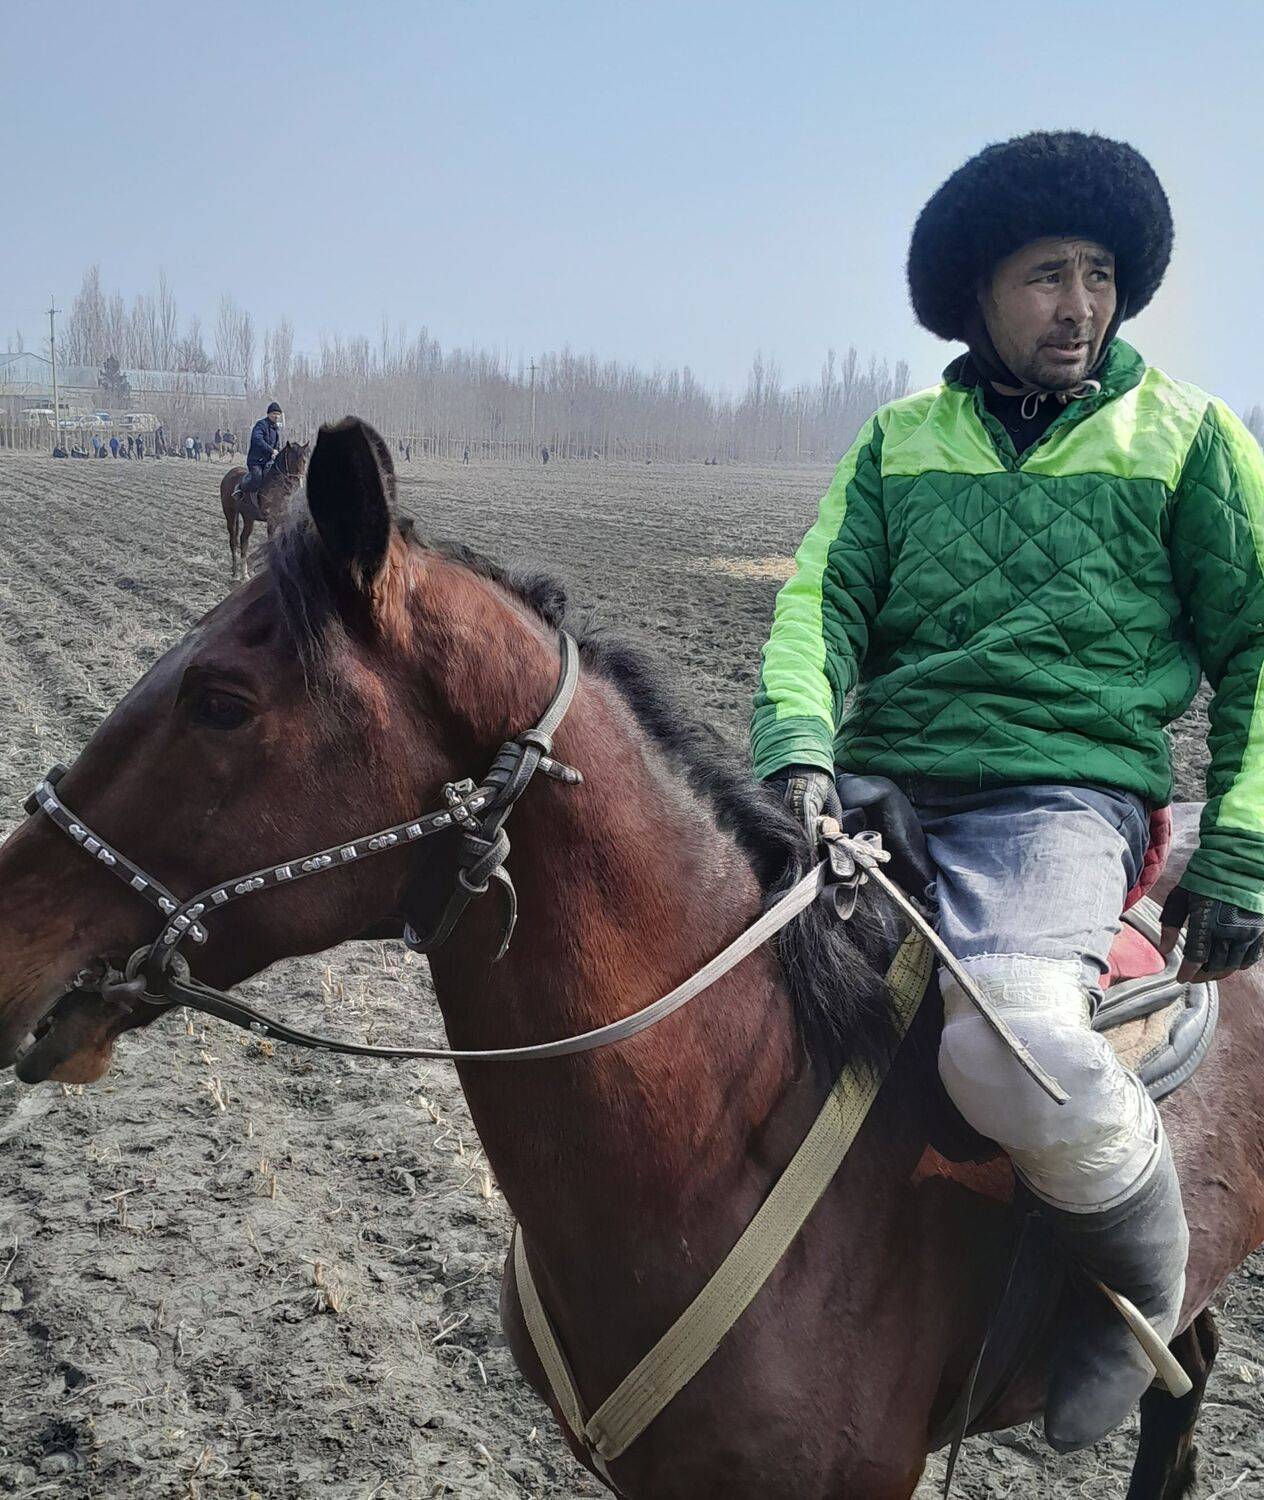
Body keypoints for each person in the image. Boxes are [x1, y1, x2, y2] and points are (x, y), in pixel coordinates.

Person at [752, 130, 1264, 1454]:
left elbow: (1262, 642)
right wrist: (800, 745)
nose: (1078, 305)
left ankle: (1135, 1285)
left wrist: (1242, 847)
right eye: (1046, 276)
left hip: (1063, 803)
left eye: (1099, 274)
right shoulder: (897, 442)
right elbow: (819, 603)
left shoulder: (1189, 439)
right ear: (980, 295)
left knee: (1007, 1038)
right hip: (883, 784)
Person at [237, 401, 284, 504]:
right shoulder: (261, 425)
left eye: (278, 414)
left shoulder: (276, 428)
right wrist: (271, 450)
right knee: (257, 477)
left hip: (269, 461)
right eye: (274, 413)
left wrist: (277, 453)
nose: (276, 416)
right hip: (256, 461)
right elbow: (257, 439)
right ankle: (240, 489)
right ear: (268, 414)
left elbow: (277, 445)